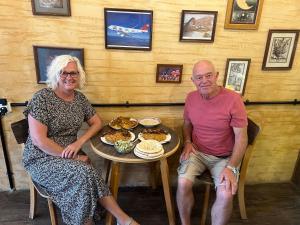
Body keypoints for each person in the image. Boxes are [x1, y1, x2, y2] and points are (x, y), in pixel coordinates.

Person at [23, 55, 139, 225]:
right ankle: (95, 220)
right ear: (56, 74)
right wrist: (75, 157)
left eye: (74, 73)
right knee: (84, 171)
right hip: (41, 157)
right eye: (64, 73)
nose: (69, 77)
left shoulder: (79, 99)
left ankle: (119, 219)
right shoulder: (43, 98)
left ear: (79, 75)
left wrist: (79, 142)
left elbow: (97, 122)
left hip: (70, 150)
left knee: (86, 171)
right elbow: (39, 140)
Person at [176, 60, 248, 225]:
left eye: (209, 75)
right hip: (197, 152)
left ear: (216, 76)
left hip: (225, 158)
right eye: (199, 77)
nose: (204, 80)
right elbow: (187, 123)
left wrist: (231, 167)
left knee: (225, 194)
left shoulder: (234, 99)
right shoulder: (191, 98)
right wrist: (187, 141)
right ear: (193, 81)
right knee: (182, 183)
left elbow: (242, 138)